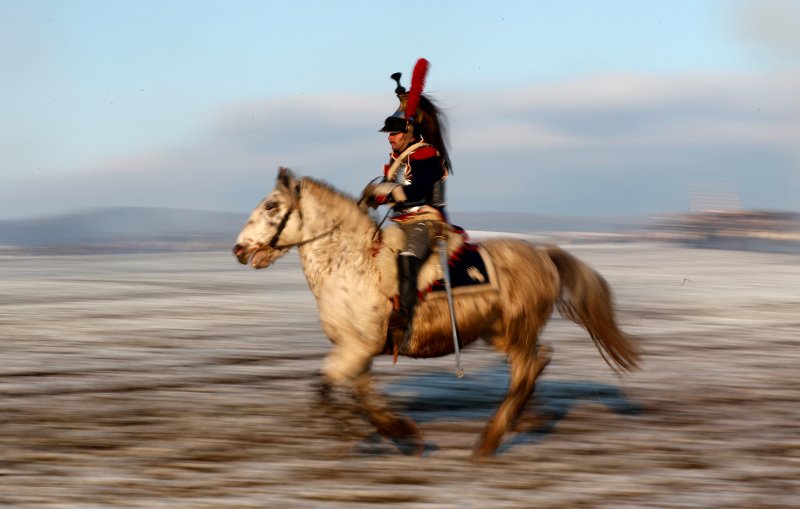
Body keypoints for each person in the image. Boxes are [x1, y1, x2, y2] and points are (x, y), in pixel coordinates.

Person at [363, 58, 453, 345]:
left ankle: (406, 321)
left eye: (394, 133)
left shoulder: (425, 155)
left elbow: (418, 193)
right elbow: (393, 190)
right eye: (389, 134)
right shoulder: (397, 160)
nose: (390, 138)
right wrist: (373, 196)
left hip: (425, 221)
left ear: (410, 131)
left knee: (407, 258)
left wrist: (386, 193)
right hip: (400, 222)